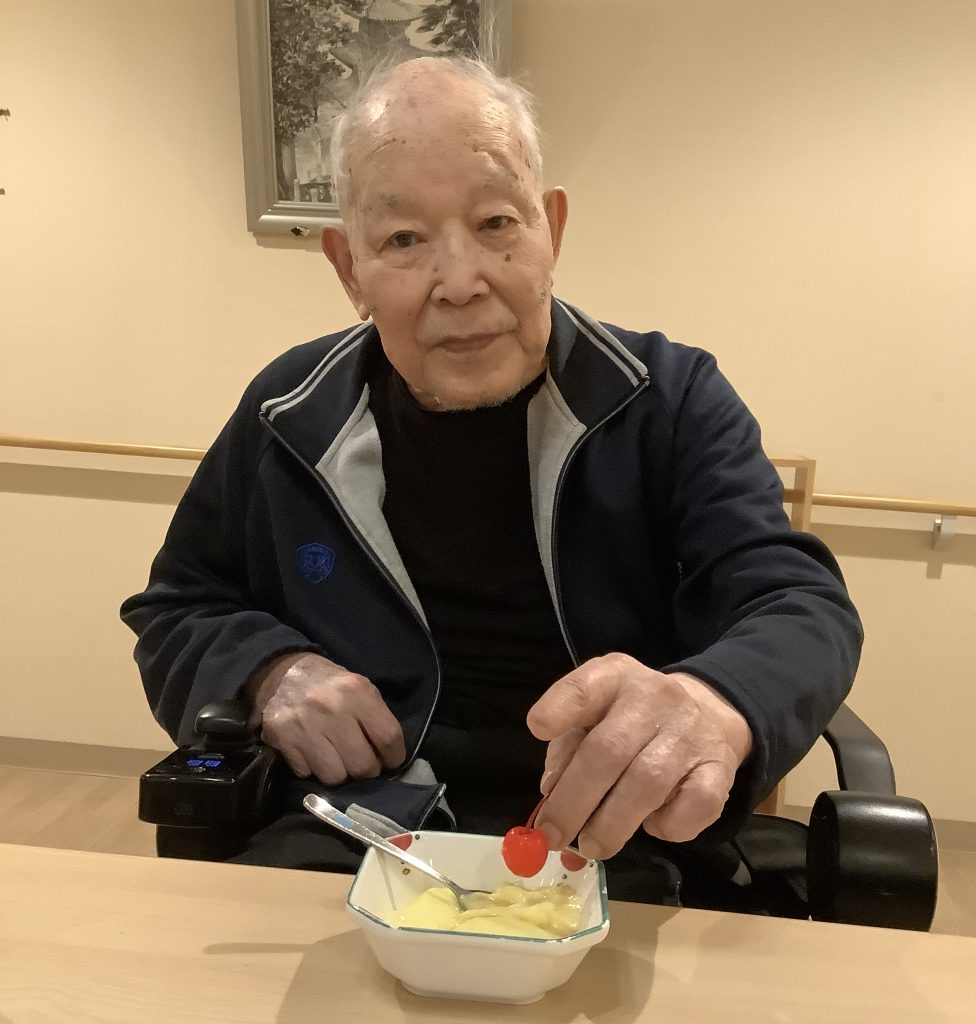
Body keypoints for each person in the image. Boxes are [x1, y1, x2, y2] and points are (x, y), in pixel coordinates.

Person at [121, 56, 862, 909]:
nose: (462, 283)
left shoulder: (669, 397)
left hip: (620, 842)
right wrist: (269, 670)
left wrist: (712, 700)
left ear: (552, 230)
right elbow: (180, 605)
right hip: (354, 835)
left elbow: (797, 602)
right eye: (404, 240)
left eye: (496, 223)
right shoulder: (290, 411)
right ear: (349, 269)